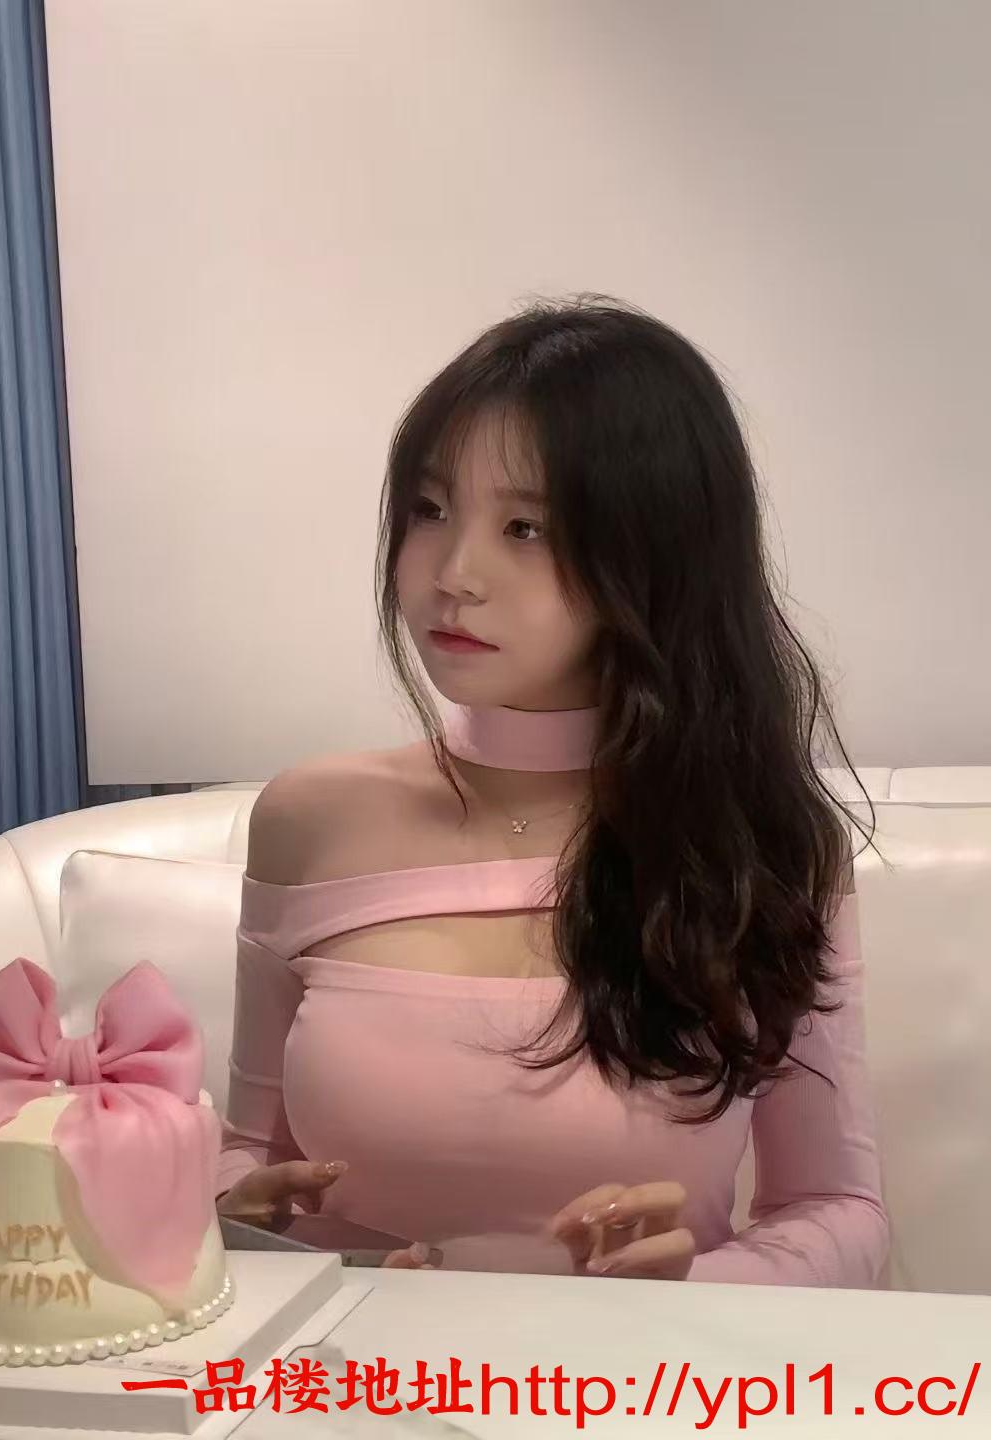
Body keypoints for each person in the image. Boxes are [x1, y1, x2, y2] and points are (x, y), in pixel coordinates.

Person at [215, 294, 890, 1285]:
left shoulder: (757, 847)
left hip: (645, 1372)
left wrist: (696, 1286)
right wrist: (229, 1217)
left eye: (525, 527)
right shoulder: (309, 821)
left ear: (656, 554)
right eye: (429, 510)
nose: (455, 573)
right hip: (347, 1370)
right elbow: (250, 1153)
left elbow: (839, 1210)